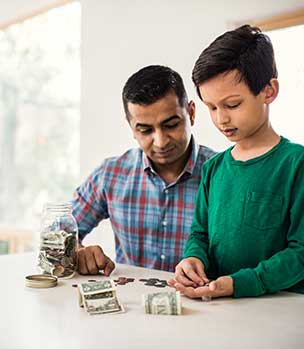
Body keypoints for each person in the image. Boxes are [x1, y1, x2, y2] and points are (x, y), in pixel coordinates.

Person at [168, 25, 304, 299]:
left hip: (287, 305)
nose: (221, 119)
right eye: (212, 107)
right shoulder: (213, 169)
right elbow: (200, 234)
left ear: (269, 91)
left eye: (232, 105)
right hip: (226, 303)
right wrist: (193, 259)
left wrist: (241, 282)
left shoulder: (298, 163)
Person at [72, 65, 215, 276]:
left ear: (191, 113)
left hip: (207, 305)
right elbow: (58, 233)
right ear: (131, 126)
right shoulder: (110, 174)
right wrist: (78, 250)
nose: (160, 141)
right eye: (145, 130)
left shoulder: (222, 174)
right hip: (131, 305)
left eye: (171, 124)